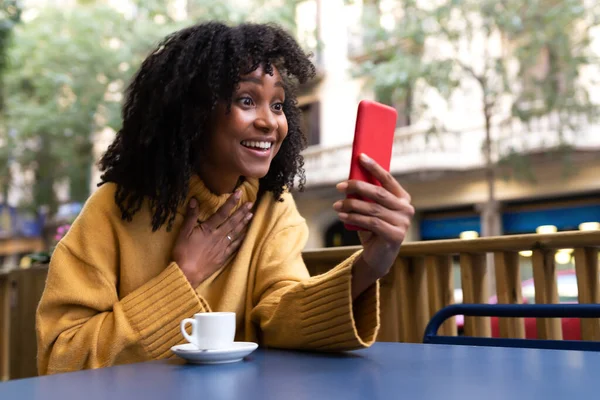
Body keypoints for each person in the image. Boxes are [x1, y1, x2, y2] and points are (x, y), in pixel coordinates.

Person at [36, 21, 414, 375]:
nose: (270, 121)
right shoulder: (112, 210)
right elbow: (62, 357)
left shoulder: (273, 207)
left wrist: (371, 264)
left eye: (278, 104)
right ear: (193, 113)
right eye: (247, 100)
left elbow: (281, 317)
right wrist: (184, 276)